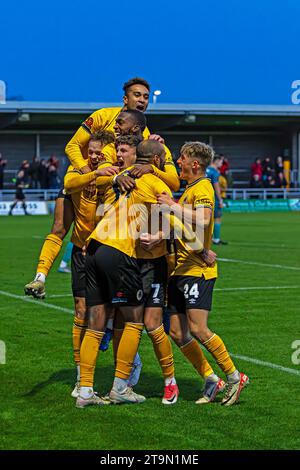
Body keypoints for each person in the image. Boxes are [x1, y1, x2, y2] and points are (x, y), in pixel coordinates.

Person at [24, 77, 178, 300]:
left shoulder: (147, 136)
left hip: (109, 190)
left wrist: (154, 159)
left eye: (146, 96)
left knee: (98, 236)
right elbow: (72, 145)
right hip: (84, 180)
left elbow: (162, 177)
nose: (142, 100)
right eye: (137, 95)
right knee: (59, 227)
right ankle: (40, 277)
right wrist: (87, 170)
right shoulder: (102, 116)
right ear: (125, 98)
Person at [75, 140, 177, 408]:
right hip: (119, 252)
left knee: (96, 320)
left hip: (95, 247)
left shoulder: (122, 177)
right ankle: (120, 387)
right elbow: (173, 218)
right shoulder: (156, 183)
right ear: (157, 161)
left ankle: (85, 391)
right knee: (133, 320)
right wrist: (159, 235)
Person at [156, 142, 249, 406]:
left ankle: (233, 376)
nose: (178, 162)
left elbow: (205, 219)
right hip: (179, 269)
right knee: (176, 332)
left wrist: (171, 205)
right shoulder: (189, 190)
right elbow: (184, 228)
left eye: (182, 158)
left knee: (198, 328)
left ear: (194, 163)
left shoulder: (204, 186)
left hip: (196, 271)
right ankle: (211, 379)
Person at [206, 155, 227, 245]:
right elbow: (216, 187)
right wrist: (220, 199)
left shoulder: (205, 170)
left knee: (205, 219)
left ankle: (206, 239)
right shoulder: (215, 172)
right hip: (214, 198)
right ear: (216, 161)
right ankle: (216, 239)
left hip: (204, 197)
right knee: (217, 218)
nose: (221, 164)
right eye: (221, 162)